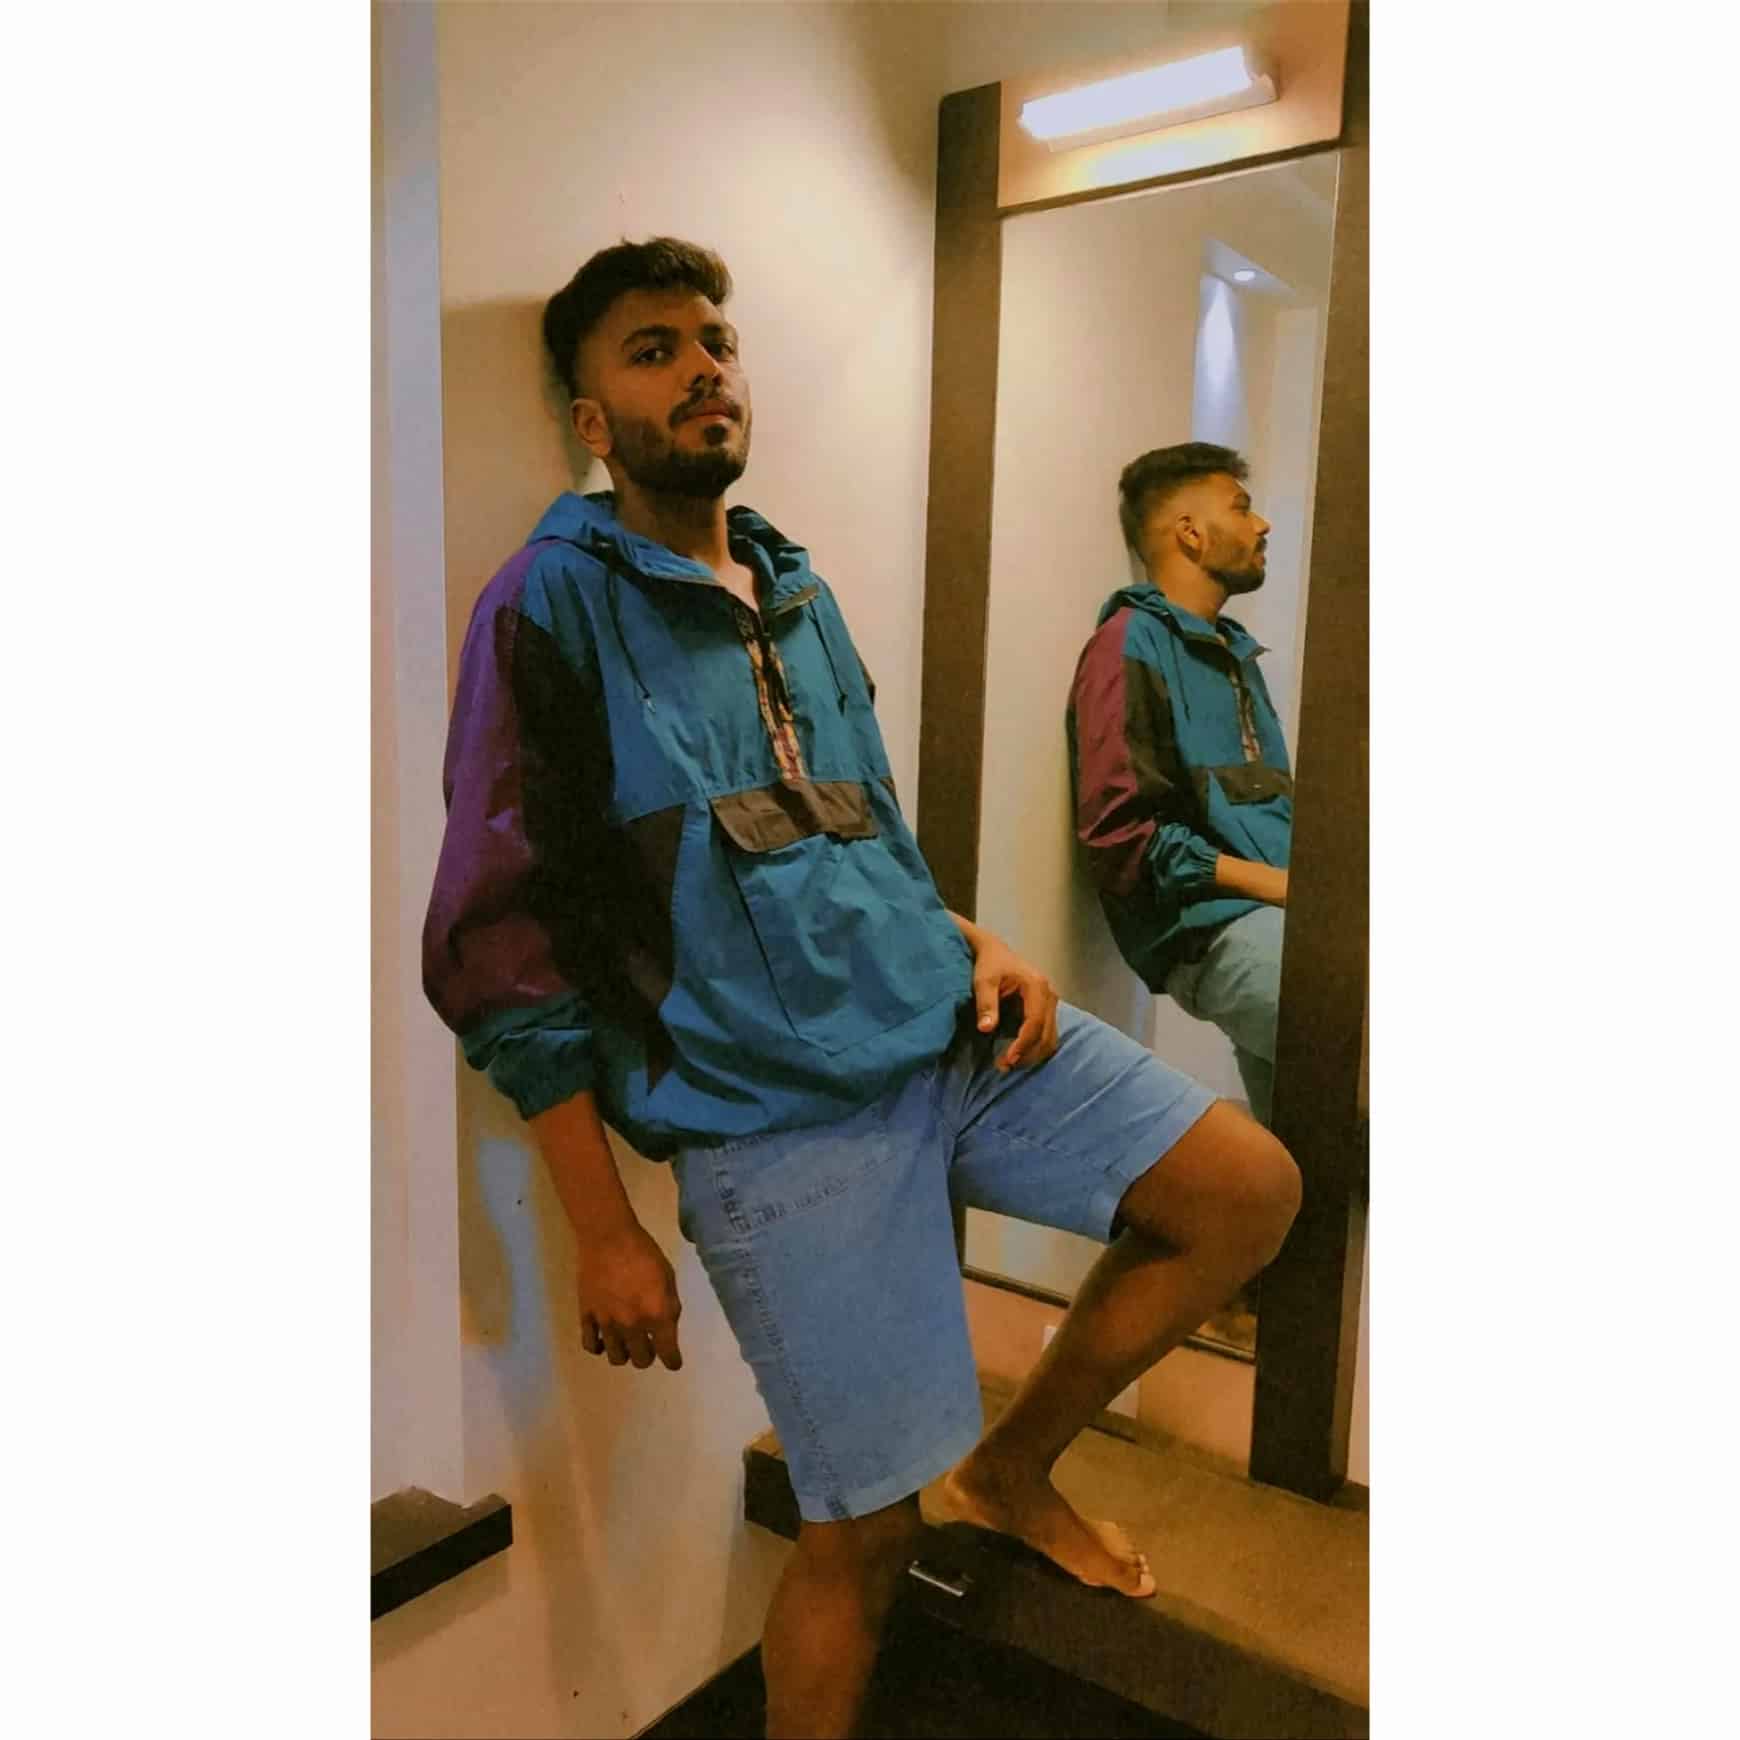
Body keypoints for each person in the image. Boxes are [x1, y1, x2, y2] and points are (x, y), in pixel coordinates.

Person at [422, 242, 1300, 1740]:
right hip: (772, 1119)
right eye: (652, 350)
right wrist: (602, 1224)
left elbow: (850, 827)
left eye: (715, 339)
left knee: (1243, 1191)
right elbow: (499, 944)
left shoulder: (792, 585)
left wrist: (970, 936)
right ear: (590, 418)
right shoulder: (547, 607)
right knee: (864, 1530)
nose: (703, 367)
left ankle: (1011, 1469)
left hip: (944, 1031)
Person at [1067, 443, 1293, 1128]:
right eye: (1242, 508)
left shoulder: (1234, 655)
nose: (1262, 526)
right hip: (1214, 932)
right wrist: (1281, 886)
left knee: (1320, 1152)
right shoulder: (1127, 643)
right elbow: (1122, 837)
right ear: (1190, 533)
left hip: (1283, 921)